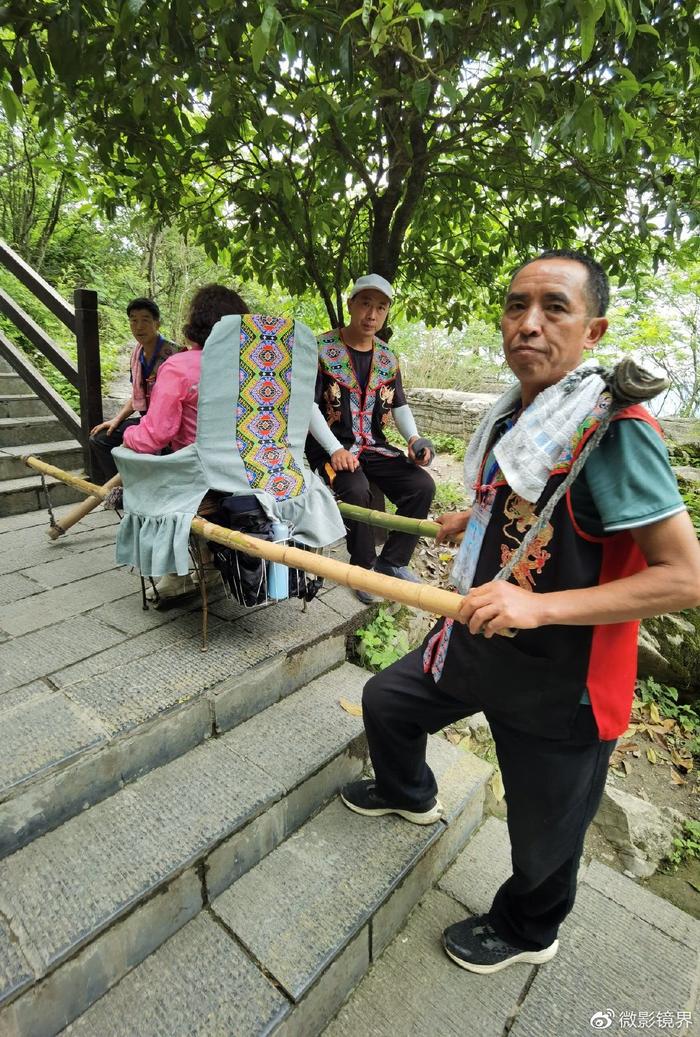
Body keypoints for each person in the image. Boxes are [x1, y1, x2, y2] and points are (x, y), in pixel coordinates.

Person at [339, 250, 700, 974]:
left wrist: (538, 609)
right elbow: (526, 502)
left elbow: (685, 577)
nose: (528, 324)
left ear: (592, 331)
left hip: (561, 681)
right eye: (515, 305)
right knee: (387, 700)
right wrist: (467, 517)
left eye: (554, 307)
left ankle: (530, 929)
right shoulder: (526, 411)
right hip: (479, 642)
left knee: (543, 837)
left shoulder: (615, 431)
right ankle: (408, 791)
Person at [306, 273, 436, 602]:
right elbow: (307, 406)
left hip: (372, 446)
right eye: (365, 303)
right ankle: (362, 568)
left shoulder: (388, 358)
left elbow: (400, 404)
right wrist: (334, 449)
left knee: (422, 486)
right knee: (355, 487)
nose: (372, 314)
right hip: (330, 449)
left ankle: (392, 561)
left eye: (381, 307)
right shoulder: (320, 350)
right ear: (351, 305)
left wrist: (415, 439)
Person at [123, 283, 249, 598]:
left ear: (196, 322)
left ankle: (174, 574)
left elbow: (155, 434)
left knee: (147, 470)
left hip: (198, 477)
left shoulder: (179, 366)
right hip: (245, 472)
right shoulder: (250, 367)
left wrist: (127, 435)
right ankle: (207, 565)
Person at [89, 298, 180, 481]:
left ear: (157, 323)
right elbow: (138, 394)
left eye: (145, 320)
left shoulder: (174, 354)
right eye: (133, 320)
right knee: (100, 439)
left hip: (171, 423)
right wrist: (116, 419)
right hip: (147, 419)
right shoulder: (137, 352)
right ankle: (123, 491)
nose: (139, 327)